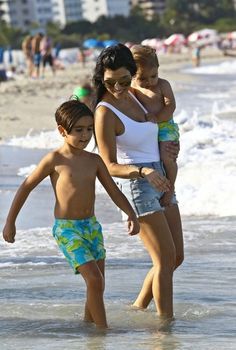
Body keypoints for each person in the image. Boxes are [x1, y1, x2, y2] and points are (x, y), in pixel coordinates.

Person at [2, 99, 140, 330]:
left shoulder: (94, 160)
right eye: (79, 130)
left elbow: (113, 190)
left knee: (98, 284)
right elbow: (26, 187)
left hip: (92, 227)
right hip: (68, 229)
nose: (85, 136)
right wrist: (10, 222)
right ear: (62, 131)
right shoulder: (55, 159)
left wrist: (131, 214)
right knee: (94, 280)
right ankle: (103, 332)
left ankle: (89, 326)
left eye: (89, 129)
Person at [93, 43, 184, 322]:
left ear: (133, 75)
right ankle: (165, 328)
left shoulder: (137, 96)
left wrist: (169, 151)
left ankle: (139, 307)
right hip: (137, 183)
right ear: (102, 79)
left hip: (161, 177)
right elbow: (108, 166)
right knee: (164, 261)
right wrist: (143, 171)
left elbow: (158, 126)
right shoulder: (104, 112)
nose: (117, 87)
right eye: (110, 82)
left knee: (176, 257)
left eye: (123, 80)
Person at [130, 44, 179, 207]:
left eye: (154, 75)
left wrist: (158, 118)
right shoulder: (132, 88)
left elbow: (170, 106)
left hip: (165, 126)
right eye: (142, 78)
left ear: (158, 69)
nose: (150, 82)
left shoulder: (163, 85)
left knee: (167, 158)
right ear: (132, 75)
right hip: (148, 131)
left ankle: (170, 188)